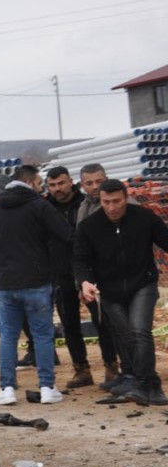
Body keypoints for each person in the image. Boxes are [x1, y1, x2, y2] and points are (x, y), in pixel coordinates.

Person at [0, 165, 71, 406]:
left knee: (8, 336)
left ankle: (7, 388)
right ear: (30, 182)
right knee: (42, 335)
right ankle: (47, 387)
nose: (41, 186)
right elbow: (65, 234)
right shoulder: (40, 206)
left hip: (6, 284)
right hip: (38, 282)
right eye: (40, 182)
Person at [74, 179, 168, 406]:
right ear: (101, 201)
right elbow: (80, 259)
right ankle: (149, 384)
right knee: (127, 337)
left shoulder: (144, 218)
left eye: (117, 201)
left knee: (139, 331)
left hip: (142, 285)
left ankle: (144, 384)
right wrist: (84, 282)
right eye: (107, 202)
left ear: (125, 198)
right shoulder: (89, 226)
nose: (112, 207)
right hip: (110, 290)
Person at [75, 163, 126, 390]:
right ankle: (111, 368)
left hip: (122, 278)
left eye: (99, 181)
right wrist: (82, 281)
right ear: (83, 185)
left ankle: (134, 371)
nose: (95, 186)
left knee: (126, 327)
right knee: (102, 326)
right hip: (94, 282)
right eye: (89, 183)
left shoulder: (123, 205)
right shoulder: (83, 208)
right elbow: (81, 250)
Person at [44, 166, 93, 387]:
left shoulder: (85, 203)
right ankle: (81, 369)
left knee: (103, 322)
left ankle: (113, 368)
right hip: (60, 273)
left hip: (89, 272)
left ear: (70, 182)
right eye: (53, 185)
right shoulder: (44, 209)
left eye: (61, 183)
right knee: (69, 324)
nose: (58, 189)